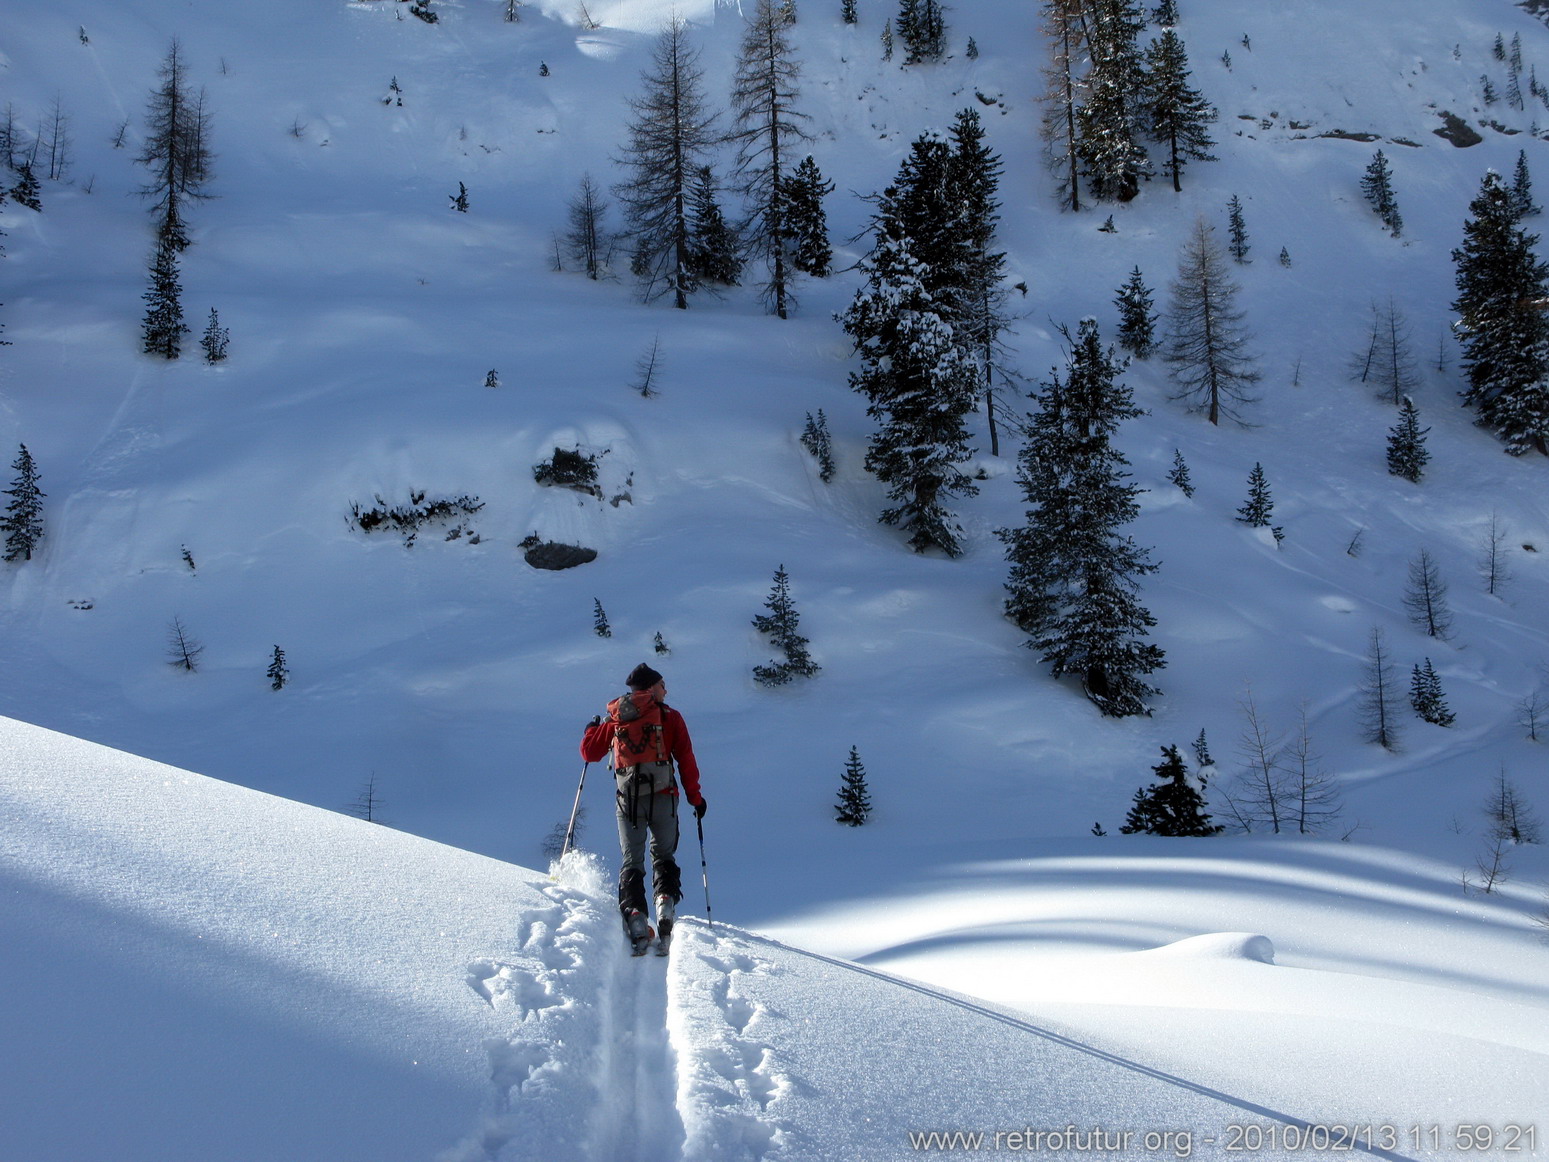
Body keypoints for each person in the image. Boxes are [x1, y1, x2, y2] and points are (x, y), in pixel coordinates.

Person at [581, 663, 706, 952]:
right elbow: (686, 759)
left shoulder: (616, 719)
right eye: (663, 685)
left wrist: (591, 730)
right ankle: (664, 906)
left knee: (632, 861)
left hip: (628, 801)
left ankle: (636, 916)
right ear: (651, 689)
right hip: (665, 796)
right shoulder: (670, 717)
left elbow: (589, 753)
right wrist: (695, 799)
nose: (666, 690)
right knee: (663, 855)